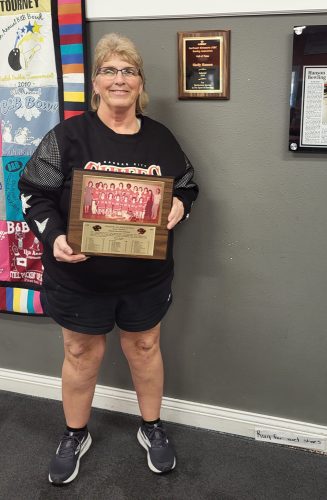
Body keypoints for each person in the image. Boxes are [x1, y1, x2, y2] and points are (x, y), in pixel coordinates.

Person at [18, 32, 198, 485]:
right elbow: (32, 193)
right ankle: (75, 433)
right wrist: (54, 235)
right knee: (80, 352)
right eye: (109, 70)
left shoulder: (160, 138)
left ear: (141, 83)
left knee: (145, 346)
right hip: (79, 277)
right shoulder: (67, 136)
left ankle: (152, 427)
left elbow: (188, 185)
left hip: (145, 276)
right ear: (95, 82)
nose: (120, 79)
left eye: (129, 71)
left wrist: (181, 205)